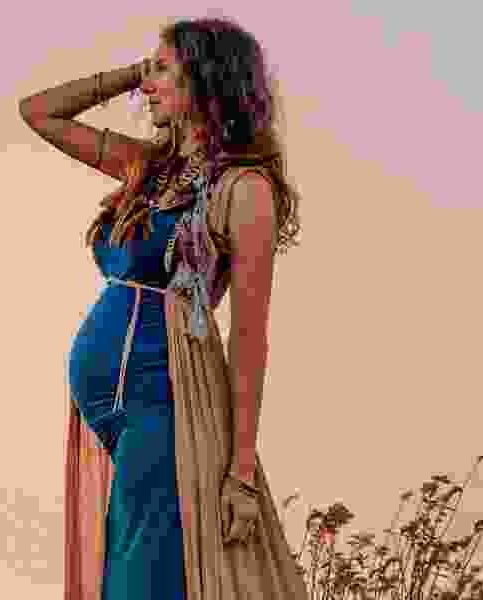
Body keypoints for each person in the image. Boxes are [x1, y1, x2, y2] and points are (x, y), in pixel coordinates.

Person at [19, 16, 307, 600]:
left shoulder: (244, 188)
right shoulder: (150, 170)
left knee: (143, 575)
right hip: (119, 415)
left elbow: (249, 336)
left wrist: (241, 473)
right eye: (147, 71)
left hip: (168, 402)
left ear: (205, 79)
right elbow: (40, 112)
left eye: (163, 69)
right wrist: (131, 73)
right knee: (136, 565)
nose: (147, 86)